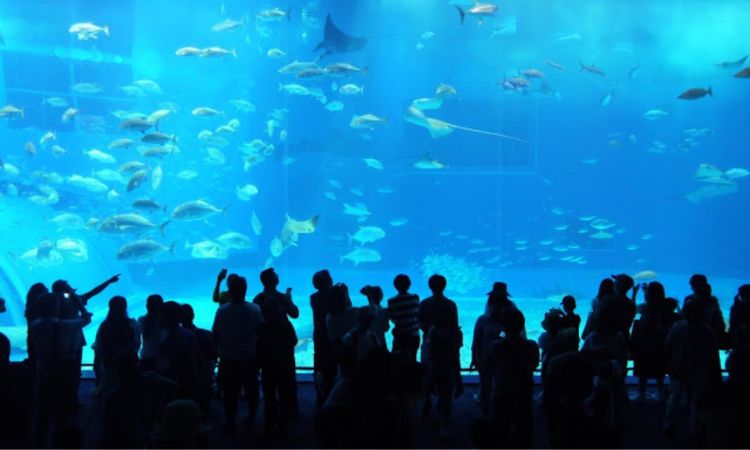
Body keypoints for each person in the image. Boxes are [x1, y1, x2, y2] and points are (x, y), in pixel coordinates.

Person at [30, 292, 92, 448]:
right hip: (61, 373)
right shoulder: (64, 325)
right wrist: (76, 300)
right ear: (55, 307)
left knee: (42, 413)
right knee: (62, 413)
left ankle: (39, 443)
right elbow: (86, 318)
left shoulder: (34, 324)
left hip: (42, 371)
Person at [52, 274, 120, 402]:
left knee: (70, 369)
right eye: (68, 287)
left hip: (69, 338)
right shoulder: (72, 300)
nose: (71, 289)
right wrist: (109, 281)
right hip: (71, 337)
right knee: (71, 369)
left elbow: (94, 291)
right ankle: (70, 398)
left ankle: (70, 398)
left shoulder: (64, 301)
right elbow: (93, 292)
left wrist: (109, 281)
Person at [664, 299, 723, 439]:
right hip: (699, 368)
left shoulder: (677, 326)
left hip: (679, 366)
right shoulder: (707, 331)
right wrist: (716, 374)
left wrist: (669, 364)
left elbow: (668, 346)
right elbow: (712, 354)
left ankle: (670, 425)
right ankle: (693, 429)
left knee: (676, 396)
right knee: (696, 399)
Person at [212, 275, 264, 434]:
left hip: (228, 357)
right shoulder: (254, 309)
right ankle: (252, 417)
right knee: (251, 389)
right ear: (244, 290)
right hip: (249, 356)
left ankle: (230, 421)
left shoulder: (223, 310)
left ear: (230, 291)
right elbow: (260, 330)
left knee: (230, 391)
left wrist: (216, 351)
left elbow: (216, 332)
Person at [253, 268, 299, 436]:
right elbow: (295, 314)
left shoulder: (257, 299)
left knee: (269, 388)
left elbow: (255, 326)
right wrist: (289, 300)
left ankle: (269, 423)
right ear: (273, 280)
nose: (279, 276)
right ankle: (285, 422)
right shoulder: (281, 298)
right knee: (286, 386)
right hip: (284, 353)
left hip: (266, 352)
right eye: (276, 275)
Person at [487, 307, 539, 448]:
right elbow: (534, 365)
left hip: (501, 392)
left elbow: (490, 365)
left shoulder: (496, 346)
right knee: (523, 429)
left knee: (500, 430)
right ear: (522, 324)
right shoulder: (532, 347)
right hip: (524, 392)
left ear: (503, 325)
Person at [419, 275, 462, 439]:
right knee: (445, 385)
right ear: (445, 285)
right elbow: (455, 327)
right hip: (446, 351)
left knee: (428, 378)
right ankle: (443, 422)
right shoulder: (451, 304)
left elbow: (420, 323)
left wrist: (430, 330)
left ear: (430, 286)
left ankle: (427, 401)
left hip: (429, 349)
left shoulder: (424, 303)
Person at [470, 282, 516, 416]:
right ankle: (491, 412)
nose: (497, 305)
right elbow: (476, 340)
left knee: (495, 386)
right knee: (489, 385)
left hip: (498, 357)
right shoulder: (486, 320)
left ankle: (492, 413)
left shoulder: (486, 320)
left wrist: (499, 336)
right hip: (492, 357)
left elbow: (477, 340)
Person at [630, 282, 678, 401]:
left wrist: (635, 293)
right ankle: (661, 393)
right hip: (660, 344)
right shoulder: (666, 307)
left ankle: (641, 394)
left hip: (644, 345)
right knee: (660, 371)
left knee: (643, 373)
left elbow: (631, 309)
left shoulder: (644, 308)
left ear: (648, 295)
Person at [155, 301, 204, 401]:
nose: (158, 318)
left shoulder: (170, 337)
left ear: (169, 317)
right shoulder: (188, 335)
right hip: (181, 380)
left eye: (161, 315)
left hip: (177, 381)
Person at [94, 296, 140, 393]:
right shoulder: (132, 324)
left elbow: (99, 345)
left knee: (109, 389)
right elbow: (136, 343)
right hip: (128, 360)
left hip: (110, 361)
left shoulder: (105, 325)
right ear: (125, 307)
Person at [310, 270, 336, 407]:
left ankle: (321, 395)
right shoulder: (335, 294)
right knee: (334, 364)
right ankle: (334, 393)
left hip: (320, 334)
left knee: (320, 365)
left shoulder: (313, 297)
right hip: (333, 334)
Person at [682, 274, 728, 349]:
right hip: (704, 336)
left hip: (698, 336)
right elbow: (719, 321)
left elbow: (683, 318)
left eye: (693, 284)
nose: (692, 286)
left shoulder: (711, 301)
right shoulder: (712, 300)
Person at [387, 274, 421, 360]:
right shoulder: (415, 298)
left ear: (395, 286)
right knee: (412, 358)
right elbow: (418, 314)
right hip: (414, 335)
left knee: (398, 358)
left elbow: (392, 318)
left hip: (400, 334)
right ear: (409, 285)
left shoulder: (391, 301)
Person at [138, 294, 164, 371]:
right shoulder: (165, 320)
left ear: (147, 305)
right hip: (162, 357)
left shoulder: (141, 320)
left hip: (146, 355)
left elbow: (137, 340)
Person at [729, 284, 750, 349]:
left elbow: (732, 325)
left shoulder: (736, 307)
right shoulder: (736, 307)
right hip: (740, 340)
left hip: (739, 341)